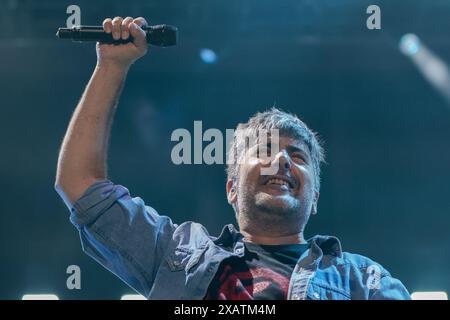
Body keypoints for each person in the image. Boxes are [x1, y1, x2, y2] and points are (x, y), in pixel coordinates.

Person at [55, 16, 410, 300]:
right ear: (231, 189)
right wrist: (111, 66)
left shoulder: (365, 282)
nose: (281, 161)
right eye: (265, 151)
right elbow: (80, 185)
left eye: (297, 155)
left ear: (315, 198)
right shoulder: (175, 256)